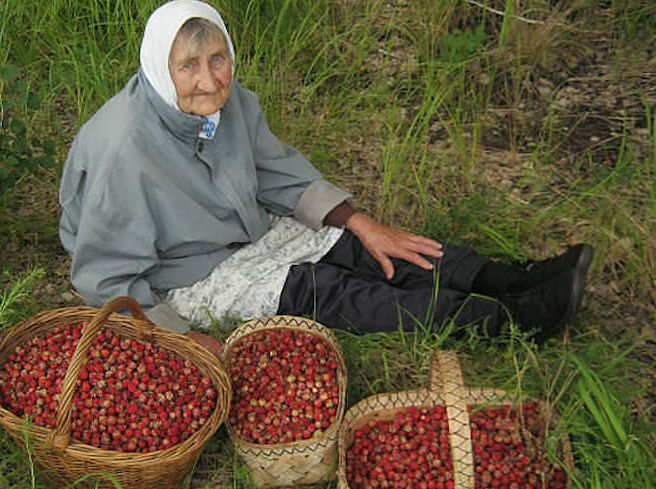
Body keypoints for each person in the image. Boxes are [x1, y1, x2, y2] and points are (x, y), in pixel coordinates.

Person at [58, 0, 593, 357]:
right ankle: (508, 323)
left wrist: (360, 223)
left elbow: (275, 170)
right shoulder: (123, 151)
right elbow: (105, 276)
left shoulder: (231, 102)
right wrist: (184, 336)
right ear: (159, 69)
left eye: (217, 58)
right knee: (331, 291)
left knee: (372, 251)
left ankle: (507, 280)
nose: (209, 79)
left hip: (250, 229)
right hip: (184, 274)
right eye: (189, 66)